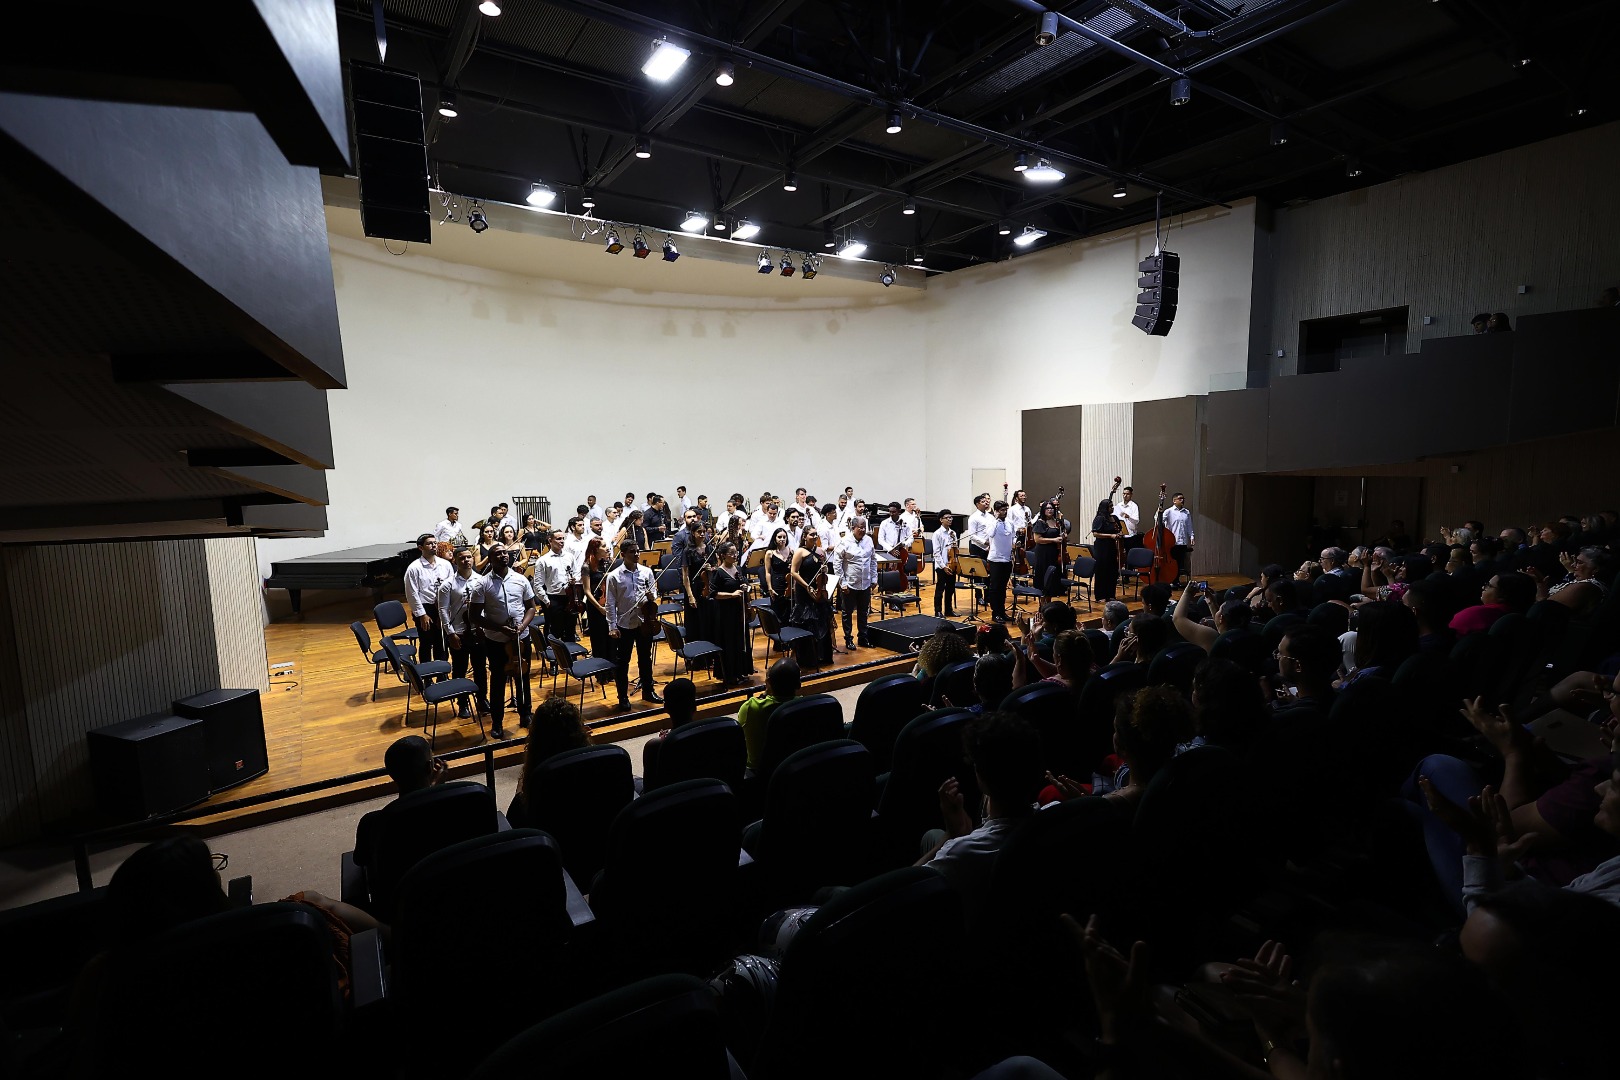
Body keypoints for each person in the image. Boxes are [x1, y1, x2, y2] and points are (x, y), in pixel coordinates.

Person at [916, 711, 1042, 921]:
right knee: (931, 834)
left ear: (980, 776)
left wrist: (952, 835)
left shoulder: (959, 852)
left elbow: (904, 889)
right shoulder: (1056, 813)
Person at [354, 734, 450, 868]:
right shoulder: (454, 810)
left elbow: (360, 860)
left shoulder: (371, 823)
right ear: (429, 768)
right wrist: (435, 790)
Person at [470, 546, 534, 737]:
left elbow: (531, 607)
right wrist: (499, 628)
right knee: (497, 680)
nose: (503, 555)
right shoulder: (482, 584)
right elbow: (474, 616)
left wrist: (522, 627)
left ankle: (526, 714)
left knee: (522, 677)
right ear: (490, 559)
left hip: (521, 638)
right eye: (497, 553)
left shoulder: (520, 579)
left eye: (505, 552)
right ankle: (497, 722)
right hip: (496, 640)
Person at [506, 696, 592, 828]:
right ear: (580, 733)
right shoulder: (600, 766)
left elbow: (516, 824)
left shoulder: (536, 785)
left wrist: (521, 786)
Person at [604, 540, 663, 711]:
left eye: (637, 551)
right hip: (624, 624)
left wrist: (651, 595)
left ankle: (648, 690)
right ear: (623, 554)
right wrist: (612, 626)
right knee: (623, 662)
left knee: (645, 658)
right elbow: (610, 604)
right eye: (632, 552)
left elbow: (654, 596)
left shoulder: (646, 572)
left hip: (644, 621)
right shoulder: (614, 576)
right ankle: (622, 696)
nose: (637, 554)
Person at [437, 546, 489, 719]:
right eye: (462, 558)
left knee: (480, 668)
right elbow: (443, 610)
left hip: (478, 631)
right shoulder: (448, 584)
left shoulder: (481, 580)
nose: (466, 561)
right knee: (459, 669)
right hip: (459, 632)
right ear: (455, 561)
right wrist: (450, 633)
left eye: (469, 557)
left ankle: (482, 699)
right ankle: (462, 703)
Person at [738, 658, 800, 773]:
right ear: (799, 684)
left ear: (768, 683)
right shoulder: (806, 706)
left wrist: (765, 692)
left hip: (760, 774)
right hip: (798, 768)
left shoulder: (751, 708)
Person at [708, 542, 754, 686]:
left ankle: (740, 671)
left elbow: (746, 585)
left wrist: (747, 587)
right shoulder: (718, 573)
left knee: (740, 641)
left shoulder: (738, 569)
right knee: (729, 643)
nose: (735, 555)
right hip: (725, 614)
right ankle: (729, 674)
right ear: (723, 555)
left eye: (736, 553)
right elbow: (713, 594)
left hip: (739, 612)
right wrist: (731, 594)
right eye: (732, 553)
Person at [402, 533, 454, 663]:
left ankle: (442, 674)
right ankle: (427, 675)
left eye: (434, 543)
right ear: (421, 548)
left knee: (442, 642)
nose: (433, 546)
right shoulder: (414, 568)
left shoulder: (445, 564)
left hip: (442, 607)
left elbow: (452, 586)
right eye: (429, 543)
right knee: (426, 642)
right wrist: (422, 615)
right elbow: (412, 593)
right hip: (426, 608)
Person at [788, 526, 834, 664]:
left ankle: (822, 656)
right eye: (811, 535)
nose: (815, 537)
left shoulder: (820, 552)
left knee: (820, 619)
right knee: (807, 621)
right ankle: (808, 658)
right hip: (804, 590)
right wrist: (806, 586)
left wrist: (825, 569)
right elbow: (794, 572)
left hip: (819, 590)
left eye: (816, 535)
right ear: (804, 536)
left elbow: (823, 571)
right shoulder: (800, 552)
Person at [835, 515, 877, 651]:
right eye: (860, 527)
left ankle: (863, 637)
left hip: (865, 583)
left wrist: (874, 578)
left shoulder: (869, 540)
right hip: (850, 584)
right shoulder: (844, 542)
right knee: (847, 613)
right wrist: (842, 582)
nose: (863, 530)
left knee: (863, 612)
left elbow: (873, 560)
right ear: (853, 528)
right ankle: (848, 638)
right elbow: (837, 563)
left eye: (864, 527)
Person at [1449, 570, 1535, 636]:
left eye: (1489, 586)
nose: (1483, 587)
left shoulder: (1475, 615)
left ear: (1502, 596)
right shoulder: (1523, 619)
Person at [533, 528, 576, 642]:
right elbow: (537, 585)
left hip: (569, 597)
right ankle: (553, 657)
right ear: (550, 541)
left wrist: (574, 580)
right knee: (555, 630)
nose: (562, 541)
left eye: (563, 539)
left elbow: (576, 573)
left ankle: (571, 656)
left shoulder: (569, 556)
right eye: (558, 539)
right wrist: (547, 601)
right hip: (554, 599)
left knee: (570, 629)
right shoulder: (543, 561)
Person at [578, 536, 614, 663]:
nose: (607, 548)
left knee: (611, 638)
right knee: (599, 638)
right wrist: (599, 608)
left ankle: (612, 668)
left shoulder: (608, 563)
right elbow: (587, 591)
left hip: (609, 604)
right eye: (603, 546)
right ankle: (601, 670)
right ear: (595, 549)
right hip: (595, 606)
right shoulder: (587, 566)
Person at [983, 499, 1016, 623]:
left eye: (1005, 510)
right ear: (996, 511)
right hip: (995, 559)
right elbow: (990, 534)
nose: (1005, 512)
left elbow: (1012, 536)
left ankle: (1002, 612)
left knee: (1002, 588)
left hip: (1007, 558)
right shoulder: (991, 522)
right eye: (1002, 510)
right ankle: (995, 613)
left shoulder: (1009, 522)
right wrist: (996, 520)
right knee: (995, 587)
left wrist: (1015, 544)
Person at [1028, 500, 1065, 598]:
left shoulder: (1057, 522)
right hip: (1043, 554)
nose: (1050, 510)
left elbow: (1062, 534)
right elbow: (1037, 539)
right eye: (1047, 508)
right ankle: (1042, 607)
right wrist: (1054, 540)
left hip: (1053, 553)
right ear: (1043, 510)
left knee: (1052, 580)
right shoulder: (1041, 522)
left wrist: (1063, 535)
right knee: (1044, 579)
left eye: (1052, 508)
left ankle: (1049, 605)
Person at [1090, 499, 1122, 601]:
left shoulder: (1115, 518)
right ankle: (1101, 595)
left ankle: (1111, 594)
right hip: (1102, 548)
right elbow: (1095, 533)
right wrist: (1111, 535)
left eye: (1112, 506)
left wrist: (1119, 534)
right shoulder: (1099, 519)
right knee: (1102, 571)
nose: (1112, 508)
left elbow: (1120, 529)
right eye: (1110, 507)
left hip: (1112, 547)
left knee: (1112, 571)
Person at [1161, 491, 1194, 583]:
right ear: (1174, 501)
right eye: (1180, 498)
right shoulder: (1169, 511)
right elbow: (1159, 520)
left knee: (1180, 562)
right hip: (1172, 541)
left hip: (1182, 541)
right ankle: (1171, 580)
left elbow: (1189, 525)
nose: (1182, 500)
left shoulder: (1186, 512)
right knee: (1172, 562)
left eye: (1183, 498)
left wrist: (1191, 536)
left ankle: (1177, 580)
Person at [763, 526, 794, 625]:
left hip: (789, 583)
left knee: (789, 609)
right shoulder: (770, 553)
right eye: (779, 537)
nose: (782, 539)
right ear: (775, 539)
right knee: (778, 610)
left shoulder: (791, 551)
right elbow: (767, 572)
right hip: (777, 583)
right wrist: (770, 588)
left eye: (784, 537)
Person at [932, 509, 959, 617]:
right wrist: (943, 566)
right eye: (947, 518)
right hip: (941, 566)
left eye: (951, 517)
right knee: (940, 588)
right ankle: (938, 610)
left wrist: (954, 543)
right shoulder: (937, 534)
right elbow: (936, 553)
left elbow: (955, 550)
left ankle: (949, 610)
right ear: (941, 520)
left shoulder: (953, 533)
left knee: (950, 588)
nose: (950, 519)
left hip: (951, 564)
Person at [966, 492, 995, 560]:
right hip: (978, 547)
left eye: (986, 501)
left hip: (989, 547)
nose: (986, 503)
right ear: (977, 504)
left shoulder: (990, 516)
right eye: (983, 502)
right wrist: (985, 542)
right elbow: (972, 535)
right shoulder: (973, 517)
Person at [1112, 485, 1141, 550]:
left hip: (1130, 535)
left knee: (1129, 552)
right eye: (1124, 493)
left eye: (1127, 494)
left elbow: (1136, 521)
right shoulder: (1119, 505)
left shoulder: (1134, 506)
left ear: (1131, 495)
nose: (1125, 496)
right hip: (1120, 534)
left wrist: (1129, 517)